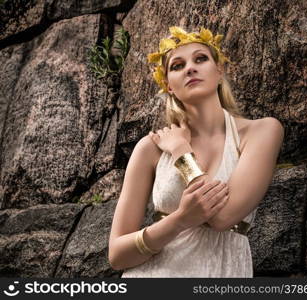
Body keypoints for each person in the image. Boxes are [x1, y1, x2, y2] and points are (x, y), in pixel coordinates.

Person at [108, 26, 284, 277]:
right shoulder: (151, 147)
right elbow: (117, 254)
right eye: (177, 66)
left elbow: (223, 218)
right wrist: (180, 219)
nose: (190, 67)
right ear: (168, 85)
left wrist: (181, 151)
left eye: (200, 59)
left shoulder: (262, 131)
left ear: (219, 70)